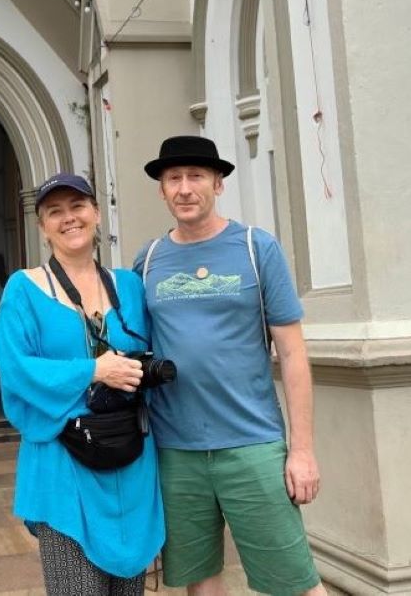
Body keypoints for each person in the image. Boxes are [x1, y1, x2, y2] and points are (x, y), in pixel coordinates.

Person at [134, 136, 325, 596]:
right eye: (173, 178)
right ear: (161, 189)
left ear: (218, 183)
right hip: (176, 452)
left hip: (252, 444)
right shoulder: (149, 261)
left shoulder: (258, 249)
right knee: (200, 582)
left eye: (196, 176)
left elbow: (294, 353)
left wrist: (301, 451)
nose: (184, 188)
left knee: (294, 582)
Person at [0, 172, 164, 595]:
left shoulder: (129, 285)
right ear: (41, 226)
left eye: (78, 207)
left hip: (131, 464)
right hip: (64, 467)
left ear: (97, 213)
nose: (68, 218)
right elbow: (15, 369)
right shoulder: (24, 289)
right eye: (55, 211)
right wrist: (93, 371)